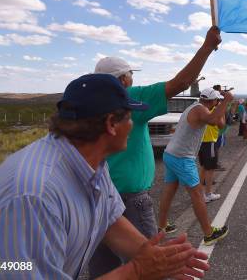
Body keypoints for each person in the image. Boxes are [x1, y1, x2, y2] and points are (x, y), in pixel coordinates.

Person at [0, 74, 209, 279]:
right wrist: (138, 270)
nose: (133, 125)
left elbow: (110, 218)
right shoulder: (34, 198)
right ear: (112, 124)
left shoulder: (88, 160)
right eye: (130, 117)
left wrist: (149, 253)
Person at [89, 26, 221, 277]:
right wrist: (207, 47)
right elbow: (180, 83)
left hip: (97, 196)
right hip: (129, 197)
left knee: (103, 266)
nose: (132, 79)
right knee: (152, 265)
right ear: (123, 79)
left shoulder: (91, 103)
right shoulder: (129, 97)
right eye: (130, 74)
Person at [158, 87, 233, 246]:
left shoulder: (198, 107)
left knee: (169, 190)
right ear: (212, 100)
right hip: (182, 158)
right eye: (216, 100)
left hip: (171, 154)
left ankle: (162, 225)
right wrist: (226, 101)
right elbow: (214, 120)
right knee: (198, 194)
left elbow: (220, 124)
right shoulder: (200, 110)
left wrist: (220, 106)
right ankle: (208, 234)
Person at [198, 93, 224, 204]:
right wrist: (221, 112)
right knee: (210, 169)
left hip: (201, 142)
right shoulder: (215, 111)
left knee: (204, 167)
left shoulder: (201, 109)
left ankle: (199, 193)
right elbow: (221, 125)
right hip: (210, 142)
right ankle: (208, 194)